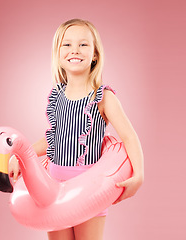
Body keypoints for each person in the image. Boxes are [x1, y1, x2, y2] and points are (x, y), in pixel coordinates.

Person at [9, 19, 144, 240]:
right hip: (53, 188)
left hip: (90, 190)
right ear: (58, 54)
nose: (75, 50)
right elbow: (54, 139)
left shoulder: (103, 98)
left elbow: (129, 136)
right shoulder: (56, 96)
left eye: (83, 45)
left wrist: (139, 175)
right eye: (67, 44)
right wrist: (21, 158)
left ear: (95, 55)